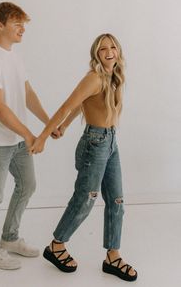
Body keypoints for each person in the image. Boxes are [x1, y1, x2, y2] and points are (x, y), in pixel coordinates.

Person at [30, 33, 138, 282]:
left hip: (111, 141)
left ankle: (113, 256)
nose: (109, 51)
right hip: (95, 143)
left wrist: (66, 126)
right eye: (103, 49)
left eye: (113, 47)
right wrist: (44, 136)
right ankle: (56, 246)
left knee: (117, 201)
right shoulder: (94, 77)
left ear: (118, 51)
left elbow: (82, 105)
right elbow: (67, 104)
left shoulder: (114, 76)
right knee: (86, 198)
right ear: (96, 54)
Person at [0, 1, 59, 270]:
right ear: (0, 25)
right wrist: (30, 134)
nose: (23, 28)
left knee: (27, 185)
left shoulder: (15, 56)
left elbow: (27, 94)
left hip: (18, 138)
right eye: (17, 23)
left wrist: (49, 122)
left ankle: (10, 238)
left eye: (24, 23)